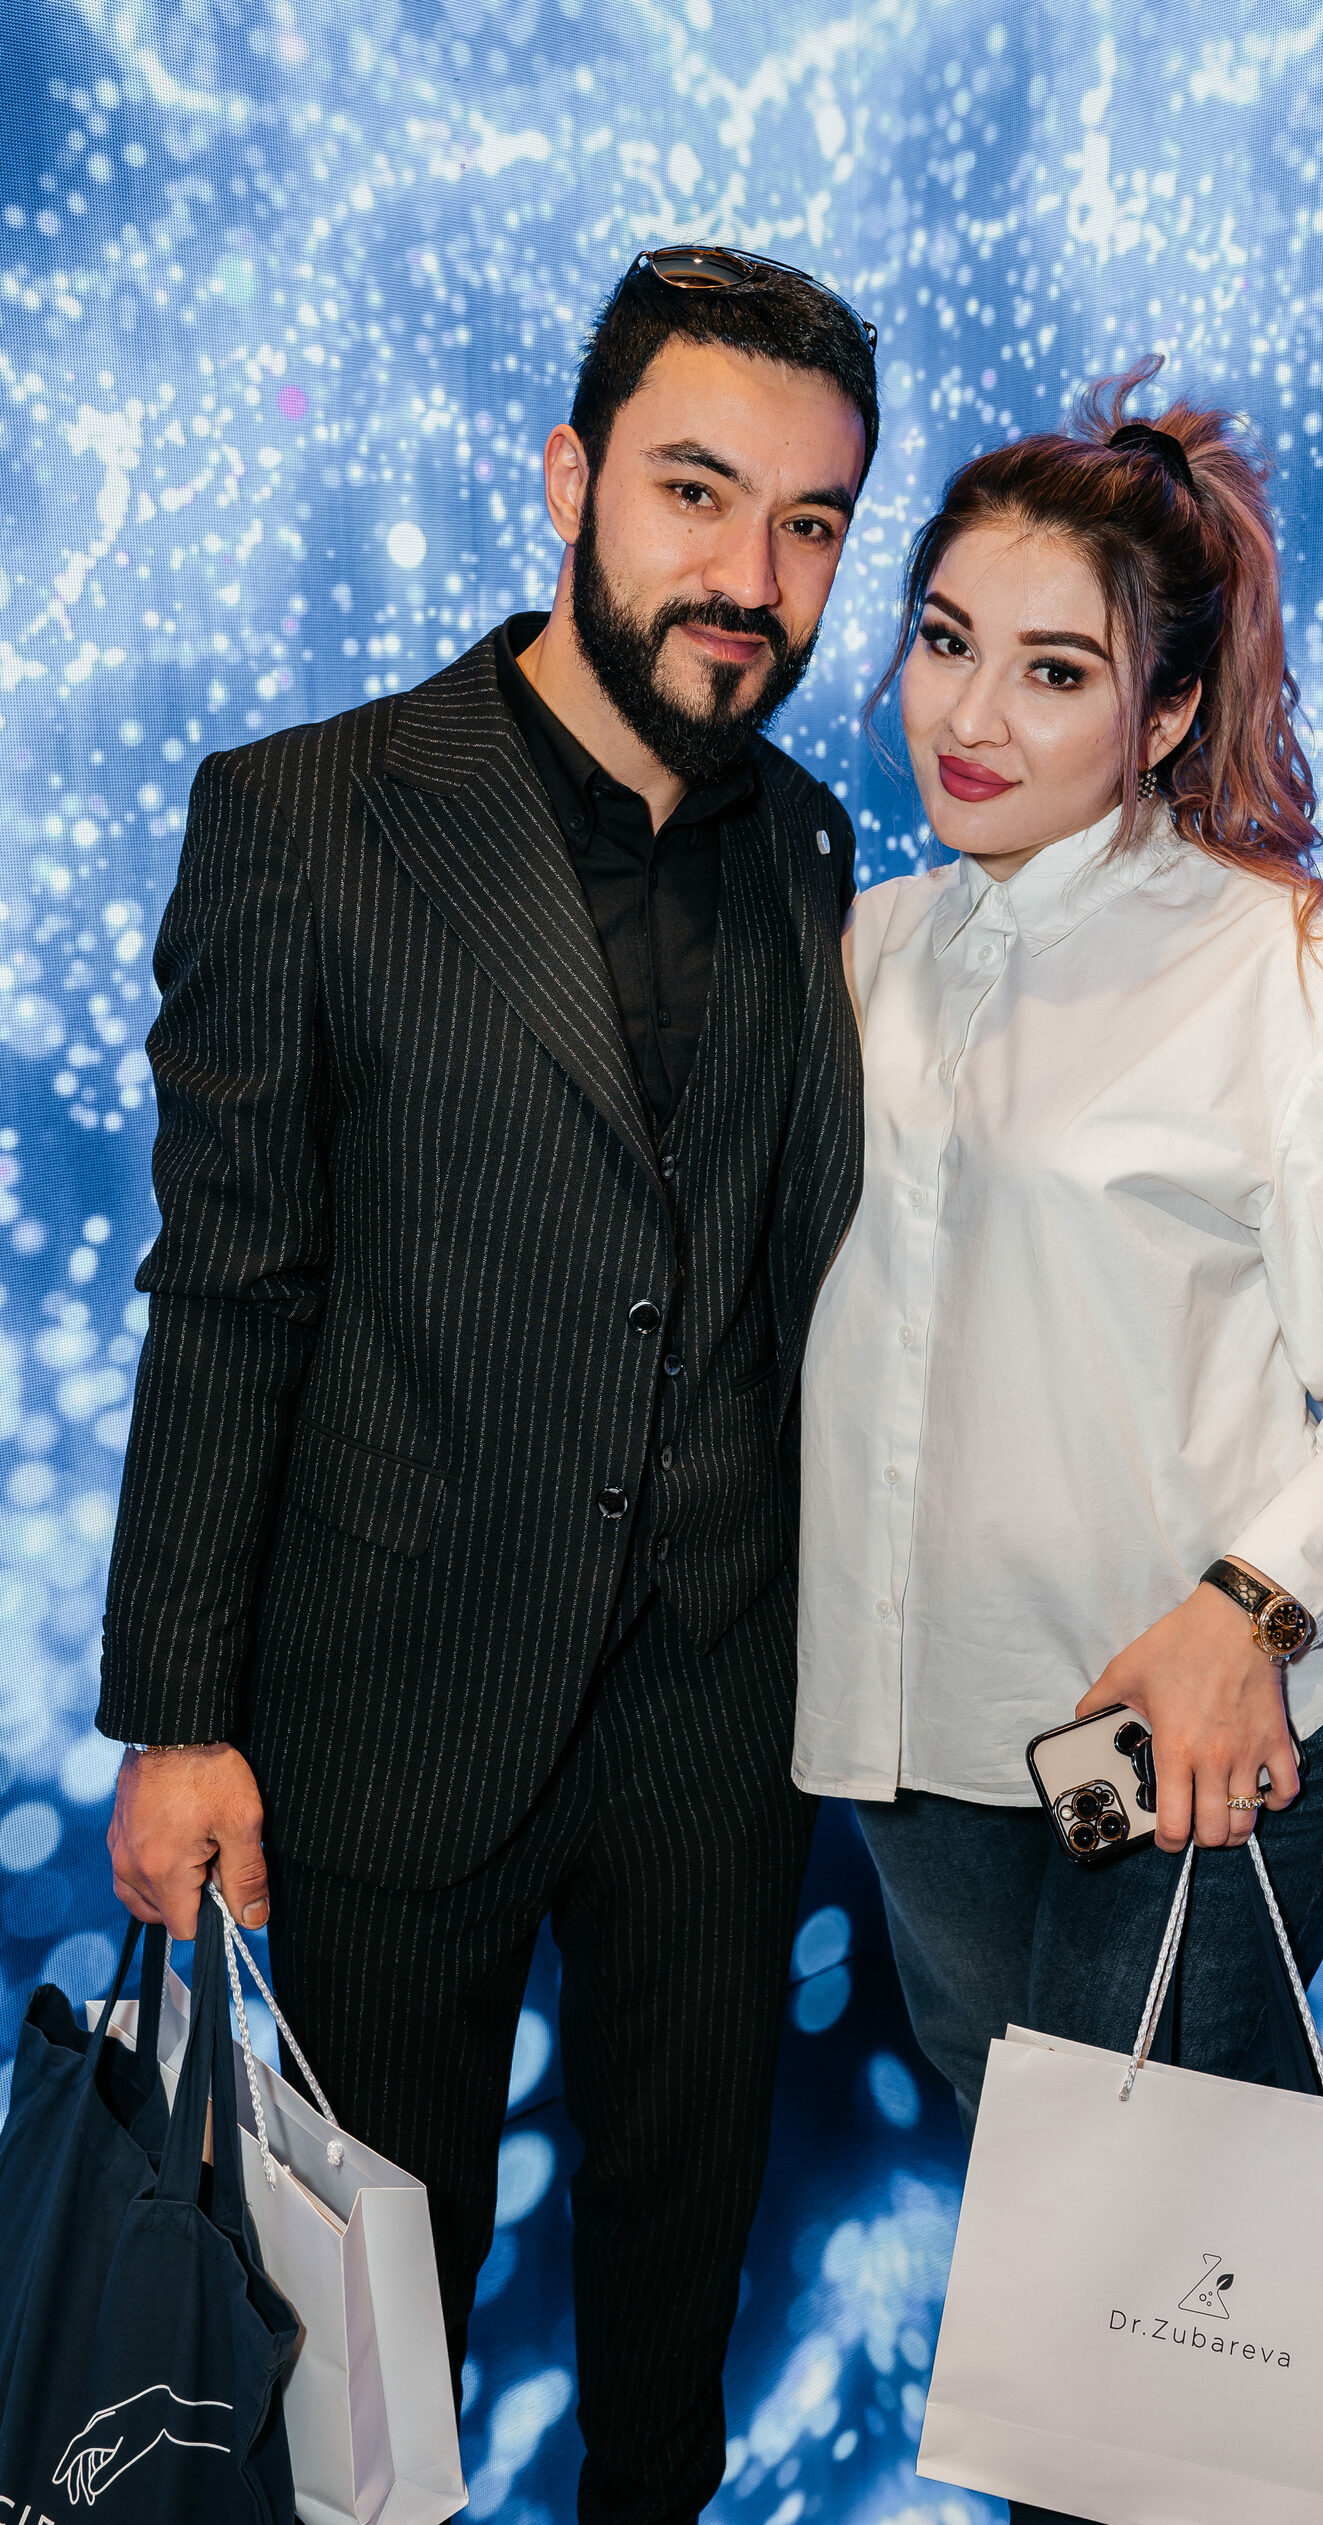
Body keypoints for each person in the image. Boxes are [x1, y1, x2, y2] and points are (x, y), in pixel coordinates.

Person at [98, 245, 876, 2525]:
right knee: (360, 2360)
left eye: (811, 524)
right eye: (696, 493)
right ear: (568, 478)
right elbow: (226, 1287)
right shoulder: (310, 814)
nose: (750, 579)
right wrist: (175, 1717)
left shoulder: (813, 844)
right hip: (389, 1703)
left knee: (675, 2320)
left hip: (717, 1726)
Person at [796, 359, 1323, 2143]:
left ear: (1163, 715)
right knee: (1077, 2209)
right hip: (917, 1731)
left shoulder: (1277, 977)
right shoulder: (863, 947)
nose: (970, 713)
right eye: (945, 639)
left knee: (1120, 2220)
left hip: (1193, 1737)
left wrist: (1251, 1608)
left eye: (1055, 671)